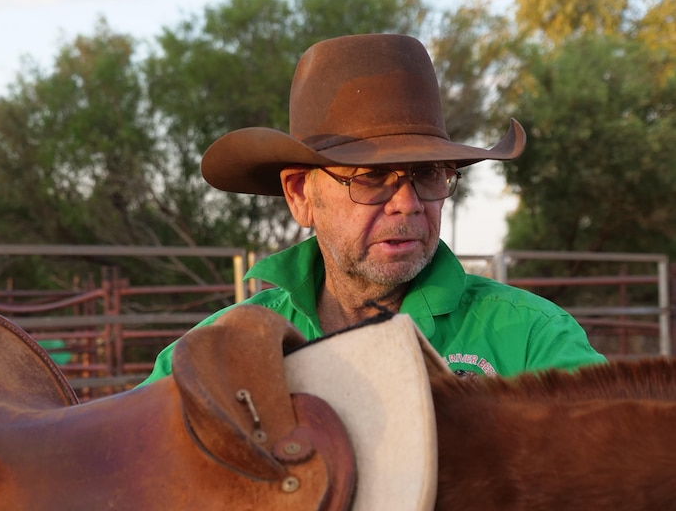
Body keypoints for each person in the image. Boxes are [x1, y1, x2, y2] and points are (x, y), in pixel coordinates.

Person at [139, 33, 605, 386]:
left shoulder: (531, 341)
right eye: (370, 177)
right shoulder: (216, 355)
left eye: (428, 175)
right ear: (301, 194)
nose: (408, 204)